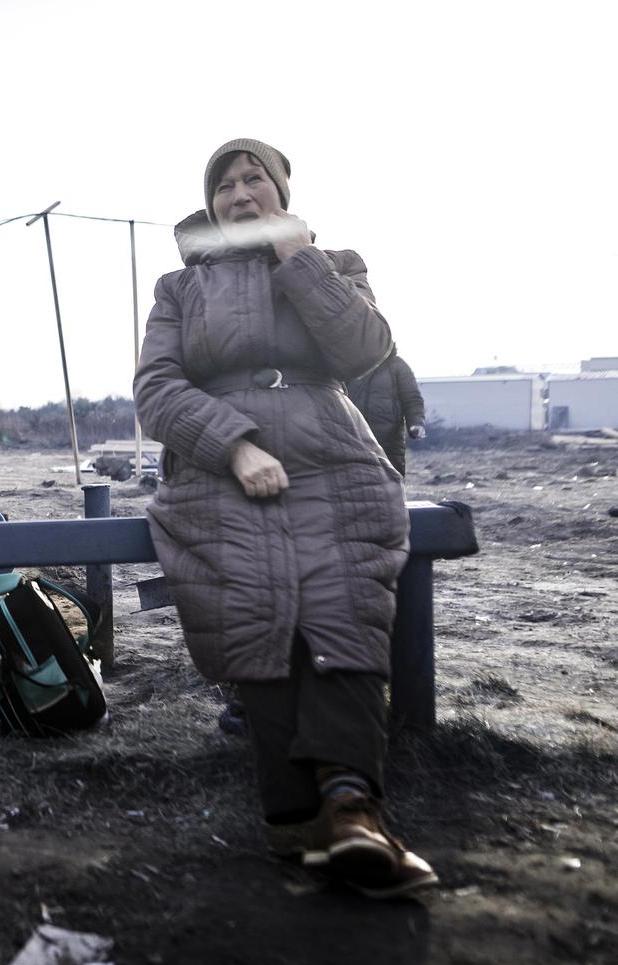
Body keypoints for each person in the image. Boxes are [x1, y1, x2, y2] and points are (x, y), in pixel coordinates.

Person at [133, 138, 437, 898]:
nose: (240, 193)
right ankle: (299, 813)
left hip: (329, 451)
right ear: (209, 205)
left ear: (281, 189)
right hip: (217, 465)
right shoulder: (179, 287)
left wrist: (298, 258)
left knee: (342, 594)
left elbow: (365, 349)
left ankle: (349, 805)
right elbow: (155, 392)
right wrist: (233, 448)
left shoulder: (334, 262)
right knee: (254, 600)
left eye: (254, 179)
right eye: (225, 185)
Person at [347, 354, 427, 475]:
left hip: (389, 442)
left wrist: (416, 422)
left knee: (391, 484)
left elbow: (412, 398)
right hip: (353, 439)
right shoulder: (345, 364)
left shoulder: (396, 365)